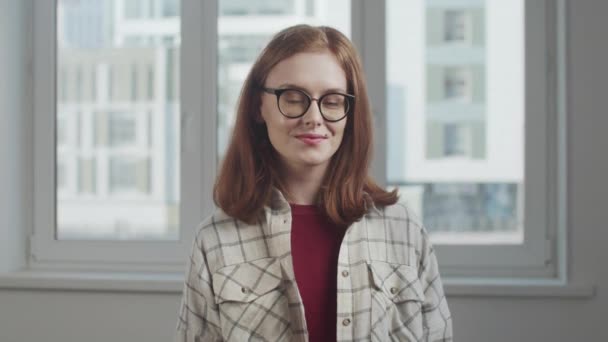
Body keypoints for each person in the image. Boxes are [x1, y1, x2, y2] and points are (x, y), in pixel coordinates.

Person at [175, 24, 452, 342]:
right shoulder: (215, 241)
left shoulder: (405, 231)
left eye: (332, 101)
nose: (314, 117)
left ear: (350, 113)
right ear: (258, 107)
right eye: (293, 98)